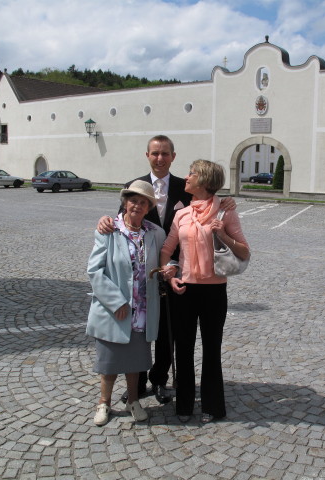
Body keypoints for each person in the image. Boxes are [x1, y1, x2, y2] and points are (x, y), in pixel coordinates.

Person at [97, 135, 236, 405]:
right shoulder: (134, 186)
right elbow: (122, 218)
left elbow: (210, 199)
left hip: (177, 270)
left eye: (165, 154)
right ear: (147, 156)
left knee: (166, 330)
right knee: (137, 330)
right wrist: (105, 221)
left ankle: (160, 379)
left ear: (173, 156)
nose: (159, 158)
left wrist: (228, 202)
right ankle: (136, 381)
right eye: (155, 153)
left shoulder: (185, 187)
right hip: (142, 270)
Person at [160, 160, 249, 424]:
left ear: (205, 181)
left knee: (212, 350)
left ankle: (213, 405)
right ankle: (184, 405)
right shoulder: (181, 214)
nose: (186, 177)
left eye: (192, 174)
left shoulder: (226, 212)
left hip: (214, 293)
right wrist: (170, 272)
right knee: (184, 349)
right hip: (184, 290)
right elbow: (167, 249)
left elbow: (244, 252)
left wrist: (225, 236)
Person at [87, 180, 166, 426]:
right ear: (124, 202)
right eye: (133, 200)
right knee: (109, 362)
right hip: (114, 310)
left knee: (134, 362)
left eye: (143, 202)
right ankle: (104, 403)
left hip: (143, 309)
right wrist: (115, 301)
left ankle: (133, 400)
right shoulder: (109, 230)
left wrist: (170, 269)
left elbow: (165, 262)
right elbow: (94, 270)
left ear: (149, 207)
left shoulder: (156, 233)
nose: (138, 206)